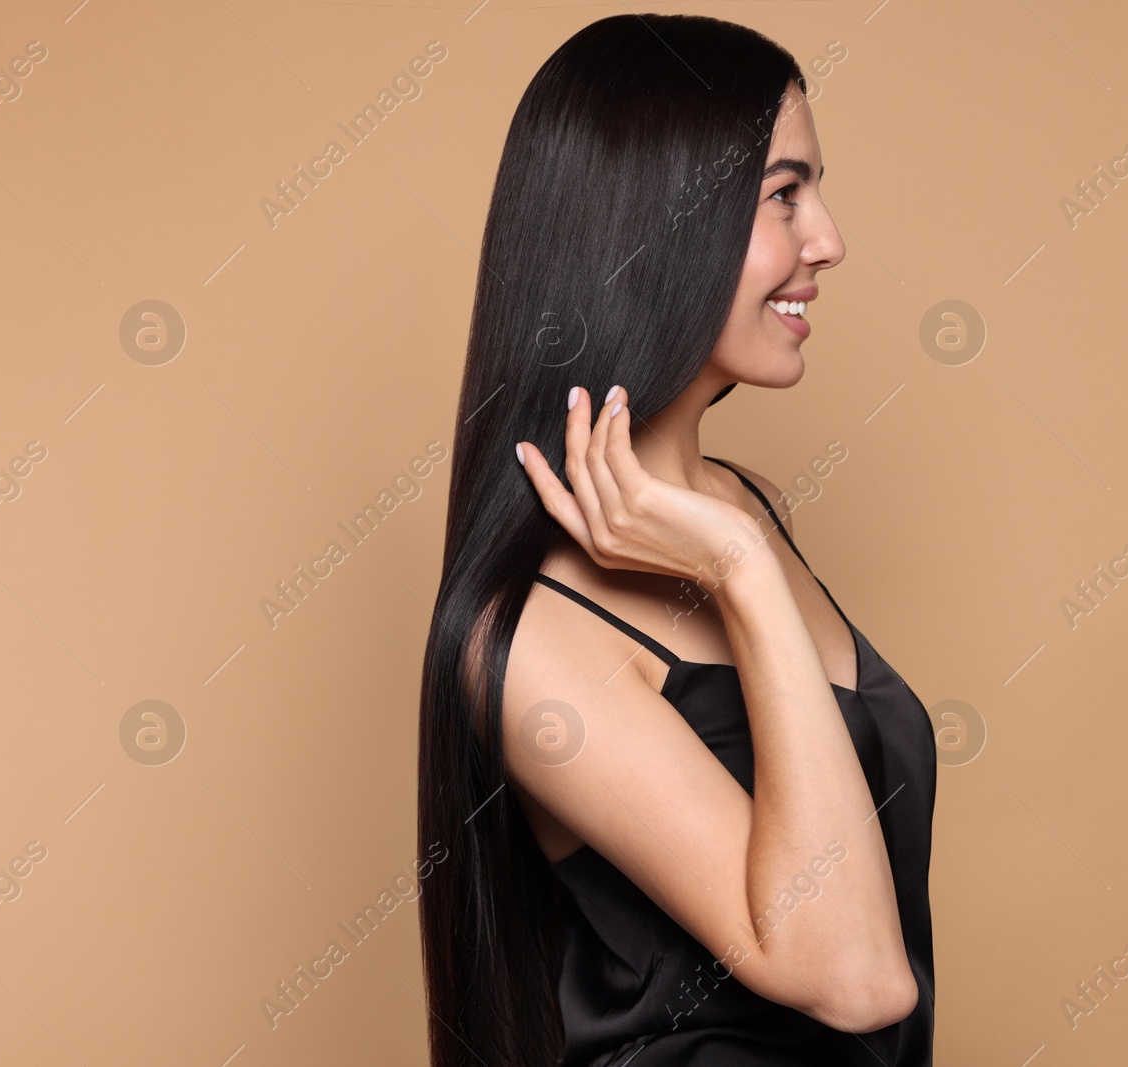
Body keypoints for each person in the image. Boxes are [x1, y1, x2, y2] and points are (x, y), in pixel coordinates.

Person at [417, 14, 935, 1066]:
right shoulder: (533, 641)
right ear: (652, 226)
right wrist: (738, 571)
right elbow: (857, 976)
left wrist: (739, 548)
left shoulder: (744, 505)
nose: (826, 238)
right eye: (783, 195)